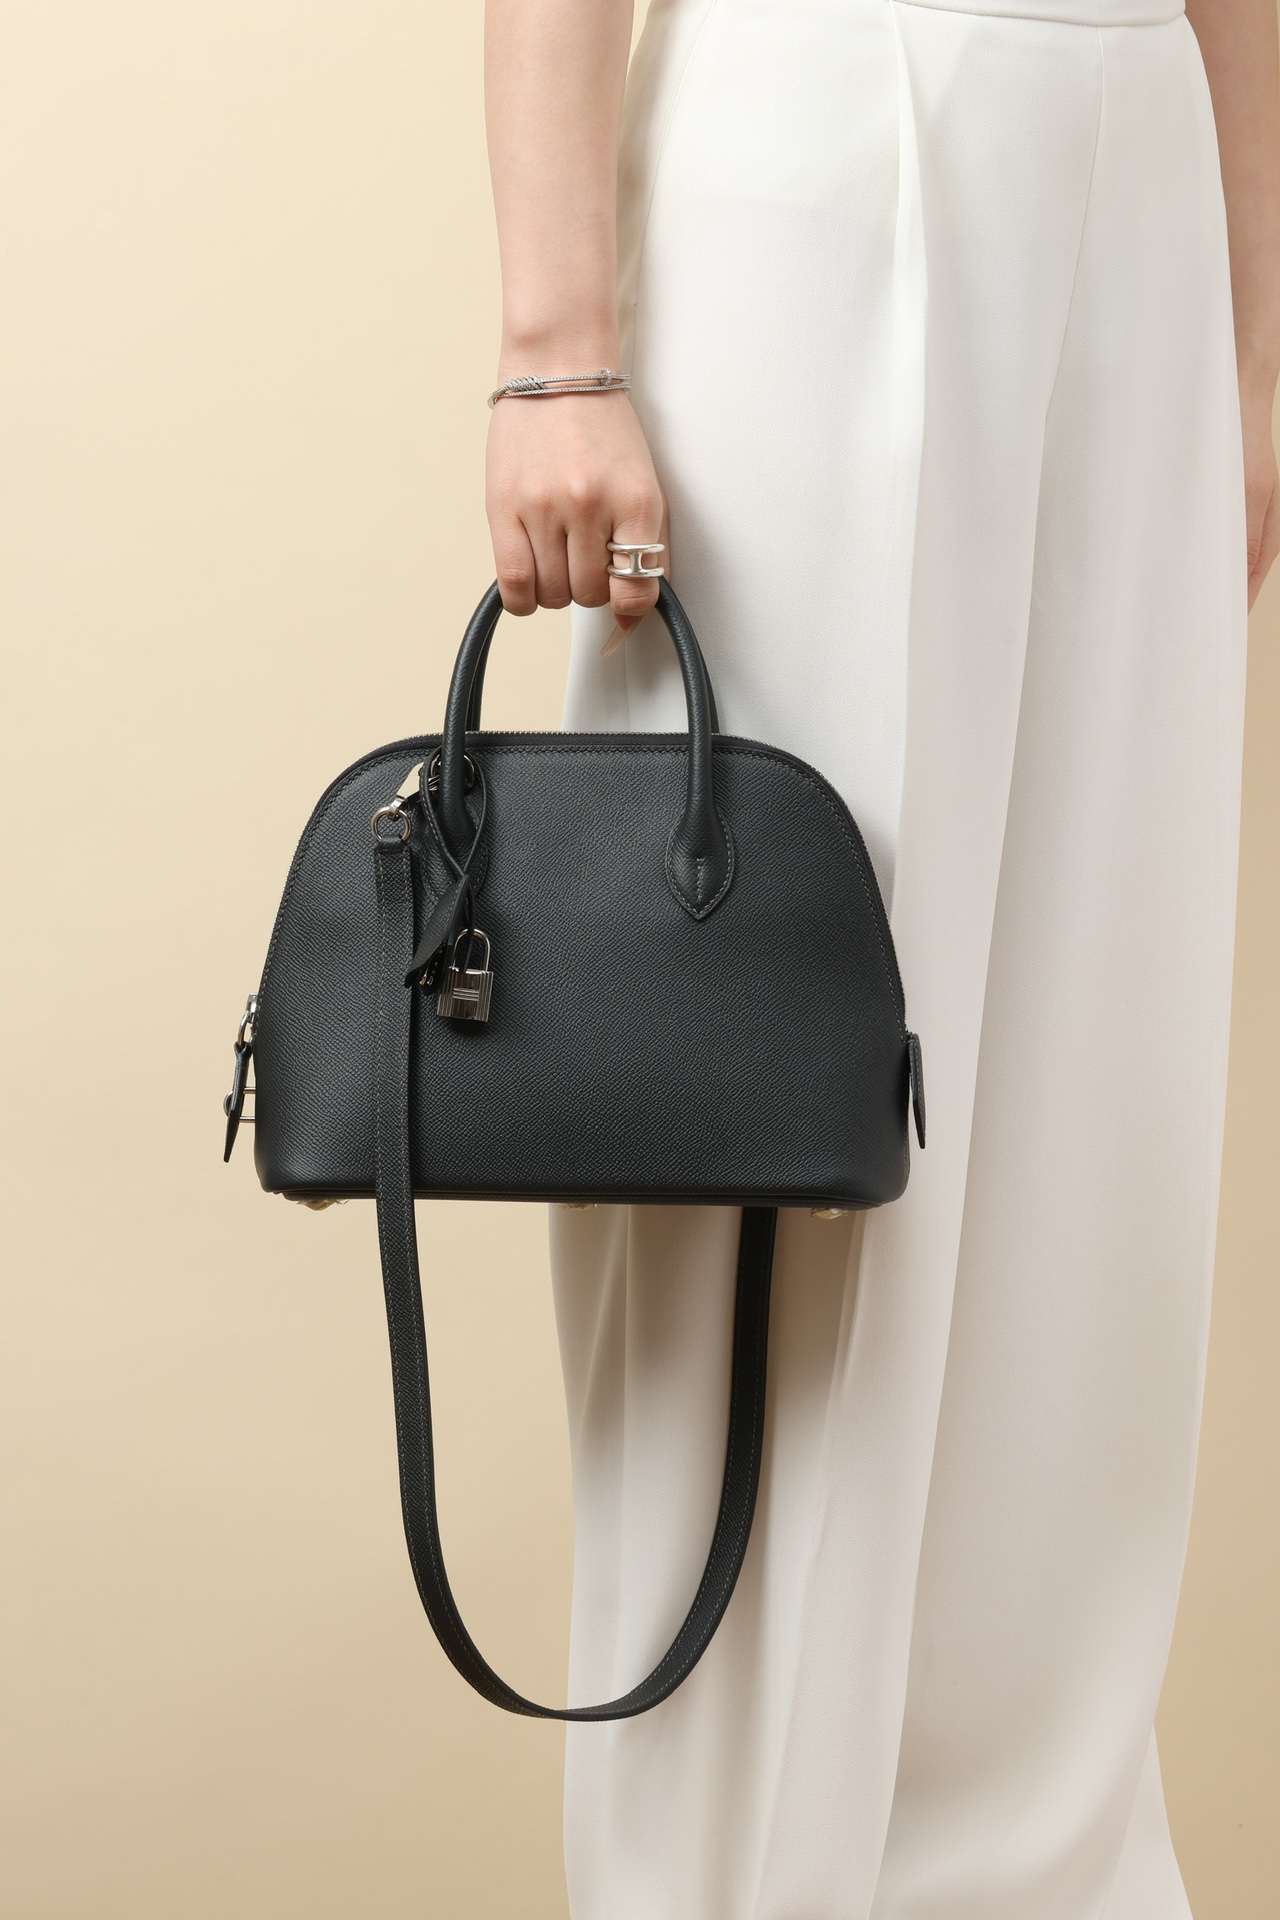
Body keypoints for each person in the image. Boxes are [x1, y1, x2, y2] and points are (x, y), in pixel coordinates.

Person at [483, 0, 1280, 1914]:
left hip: (1150, 173)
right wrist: (551, 349)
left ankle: (1047, 1873)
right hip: (832, 130)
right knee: (765, 1112)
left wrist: (1264, 328)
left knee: (1089, 1140)